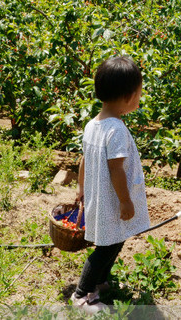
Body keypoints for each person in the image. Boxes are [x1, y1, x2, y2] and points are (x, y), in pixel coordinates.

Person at [70, 55, 151, 314]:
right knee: (105, 248)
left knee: (114, 241)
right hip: (111, 201)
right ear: (129, 97)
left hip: (99, 198)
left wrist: (81, 189)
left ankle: (101, 281)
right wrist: (126, 201)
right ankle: (82, 295)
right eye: (139, 93)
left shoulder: (93, 125)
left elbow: (83, 160)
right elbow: (116, 170)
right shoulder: (115, 129)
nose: (139, 98)